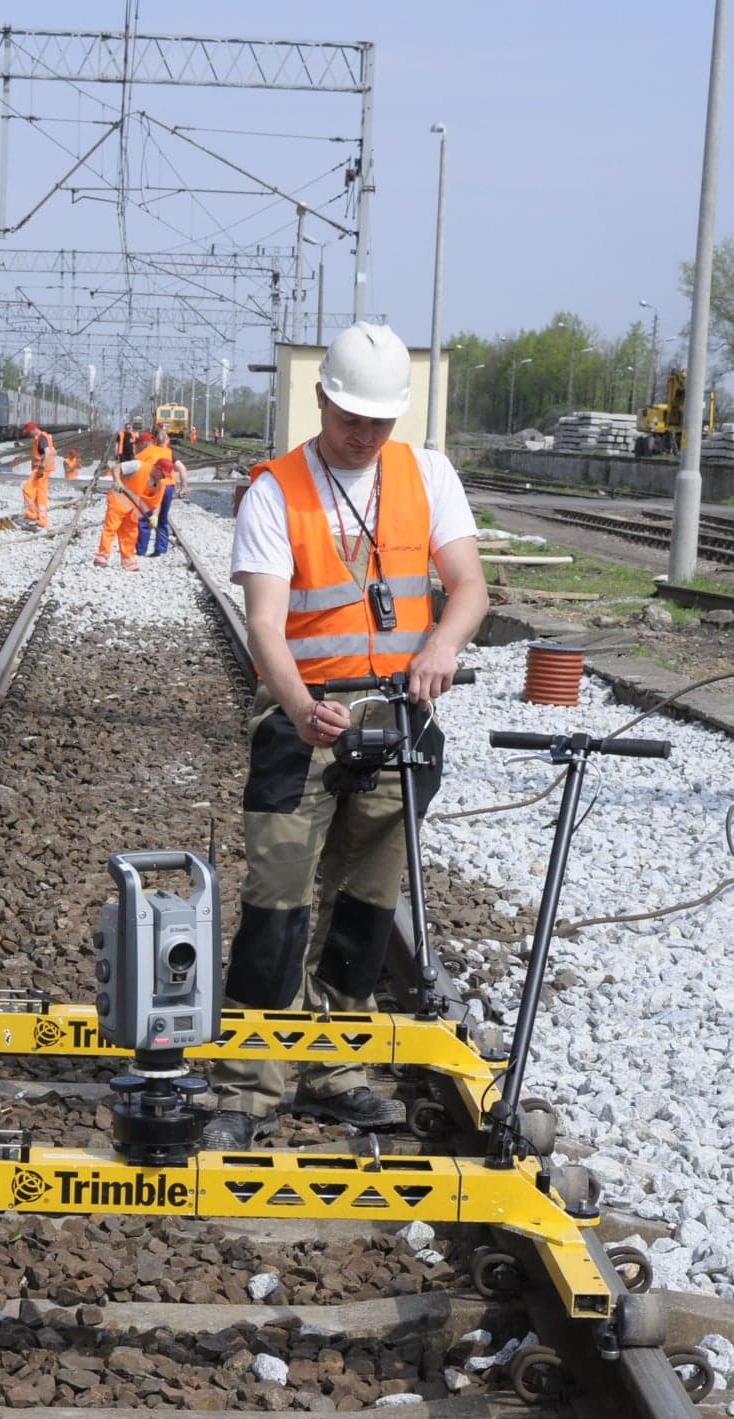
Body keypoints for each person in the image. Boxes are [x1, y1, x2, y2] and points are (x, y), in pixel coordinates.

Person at [201, 321, 489, 1152]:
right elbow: (264, 624)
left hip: (398, 719)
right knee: (278, 905)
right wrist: (298, 707)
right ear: (321, 399)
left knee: (364, 909)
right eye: (351, 418)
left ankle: (336, 1071)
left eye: (378, 421)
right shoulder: (275, 491)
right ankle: (247, 1086)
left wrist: (441, 645)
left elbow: (468, 586)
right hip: (304, 723)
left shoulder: (427, 474)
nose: (364, 435)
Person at [93, 431, 163, 570]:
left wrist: (154, 516)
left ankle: (128, 561)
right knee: (111, 528)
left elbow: (156, 501)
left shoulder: (158, 482)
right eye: (162, 474)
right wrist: (117, 480)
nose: (163, 477)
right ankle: (102, 556)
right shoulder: (138, 465)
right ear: (157, 468)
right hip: (118, 501)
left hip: (132, 508)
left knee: (130, 533)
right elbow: (117, 467)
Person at [134, 423, 188, 558]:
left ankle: (141, 550)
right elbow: (182, 469)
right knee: (162, 519)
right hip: (168, 487)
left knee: (144, 517)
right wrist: (183, 488)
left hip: (152, 486)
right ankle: (161, 549)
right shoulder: (169, 452)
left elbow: (135, 467)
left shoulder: (145, 452)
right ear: (166, 440)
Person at [21, 422, 55, 529]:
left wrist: (41, 468)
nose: (29, 435)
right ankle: (42, 520)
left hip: (41, 470)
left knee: (27, 489)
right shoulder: (43, 437)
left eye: (29, 432)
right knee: (41, 494)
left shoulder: (41, 438)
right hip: (45, 469)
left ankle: (32, 515)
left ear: (33, 429)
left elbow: (47, 452)